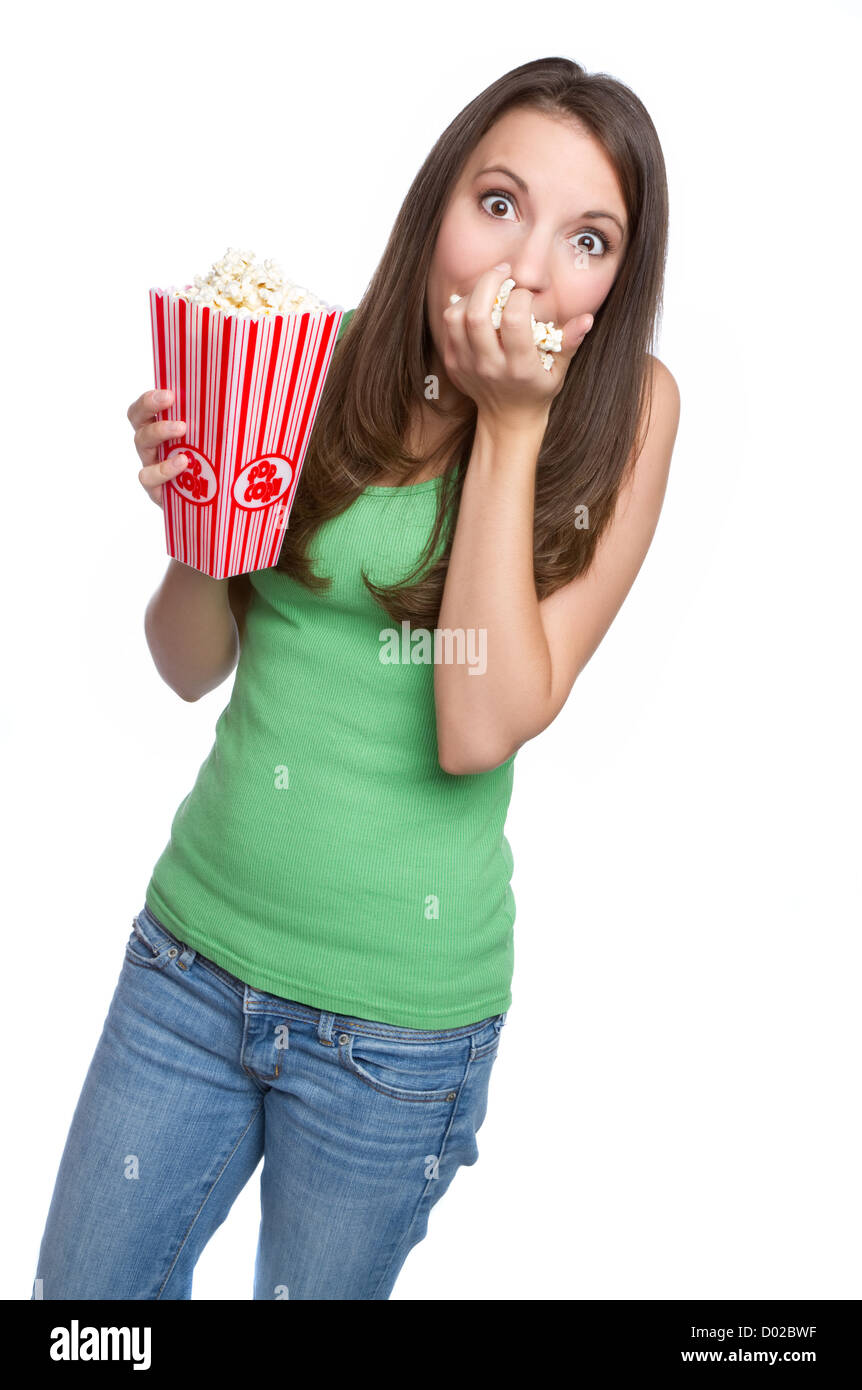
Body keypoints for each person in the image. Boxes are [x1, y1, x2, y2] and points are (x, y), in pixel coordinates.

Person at [32, 55, 680, 1301]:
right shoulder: (303, 366)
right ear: (436, 202)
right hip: (188, 965)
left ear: (619, 277)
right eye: (497, 203)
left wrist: (509, 422)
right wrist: (196, 532)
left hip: (393, 1037)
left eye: (585, 237)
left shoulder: (630, 416)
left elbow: (477, 720)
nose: (525, 265)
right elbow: (184, 668)